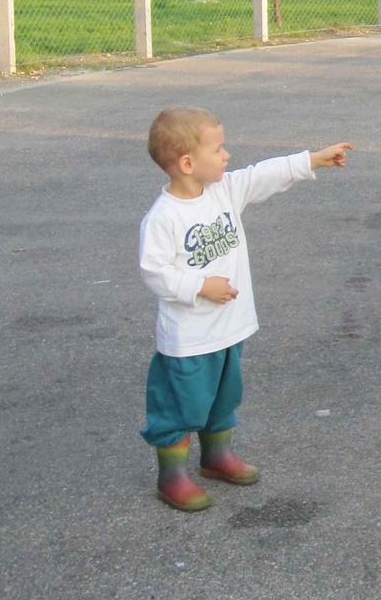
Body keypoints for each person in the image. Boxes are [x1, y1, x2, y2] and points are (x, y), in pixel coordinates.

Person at [139, 106, 352, 512]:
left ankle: (216, 457)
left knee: (224, 397)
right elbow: (153, 272)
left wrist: (313, 160)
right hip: (189, 339)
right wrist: (200, 285)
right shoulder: (163, 216)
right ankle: (172, 477)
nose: (227, 156)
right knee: (181, 405)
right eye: (218, 149)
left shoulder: (223, 190)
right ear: (187, 163)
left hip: (229, 328)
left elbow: (262, 174)